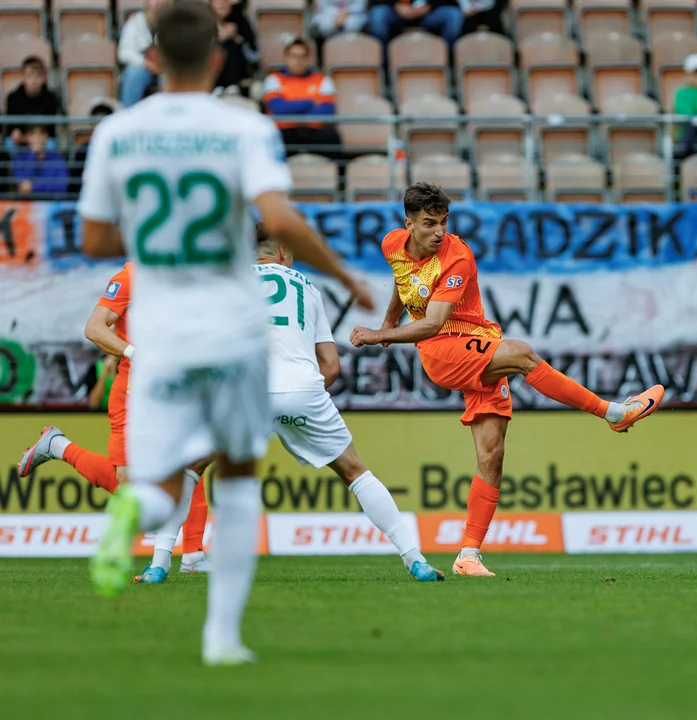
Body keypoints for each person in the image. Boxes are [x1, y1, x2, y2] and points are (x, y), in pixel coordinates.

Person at [77, 0, 373, 664]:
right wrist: (344, 278)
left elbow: (93, 239)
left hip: (161, 335)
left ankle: (134, 515)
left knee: (162, 481)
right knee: (237, 475)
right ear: (217, 59)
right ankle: (222, 637)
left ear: (152, 58)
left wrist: (163, 239)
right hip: (231, 328)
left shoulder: (117, 133)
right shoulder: (244, 128)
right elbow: (282, 223)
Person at [349, 183, 665, 577]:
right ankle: (614, 413)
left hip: (475, 343)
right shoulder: (392, 244)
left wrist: (380, 334)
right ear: (408, 224)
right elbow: (407, 287)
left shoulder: (457, 257)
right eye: (429, 223)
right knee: (522, 354)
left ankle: (468, 555)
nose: (439, 232)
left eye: (444, 222)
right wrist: (388, 321)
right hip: (442, 351)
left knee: (491, 455)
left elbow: (431, 318)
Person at [252, 223, 443, 581]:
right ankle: (415, 559)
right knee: (355, 472)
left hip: (249, 391)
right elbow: (331, 367)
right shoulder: (307, 288)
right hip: (303, 390)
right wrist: (301, 396)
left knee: (193, 466)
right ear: (282, 252)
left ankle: (160, 561)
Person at [17, 263, 212, 578]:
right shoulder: (130, 277)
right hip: (134, 393)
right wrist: (136, 353)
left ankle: (192, 554)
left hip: (175, 390)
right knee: (130, 488)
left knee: (192, 459)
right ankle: (58, 446)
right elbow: (94, 328)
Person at [262, 38, 342, 155]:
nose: (298, 61)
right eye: (294, 56)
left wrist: (291, 109)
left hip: (314, 131)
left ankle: (338, 167)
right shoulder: (273, 80)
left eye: (302, 56)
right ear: (286, 57)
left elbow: (327, 112)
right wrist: (311, 102)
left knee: (332, 137)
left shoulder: (323, 80)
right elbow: (278, 109)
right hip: (284, 131)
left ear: (308, 59)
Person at [3, 56, 62, 150]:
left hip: (43, 139)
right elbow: (11, 127)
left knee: (51, 145)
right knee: (9, 144)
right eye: (29, 76)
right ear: (23, 77)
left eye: (37, 76)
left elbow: (50, 129)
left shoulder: (51, 98)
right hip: (21, 139)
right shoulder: (13, 98)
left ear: (43, 78)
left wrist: (37, 139)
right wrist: (22, 137)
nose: (33, 80)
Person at [118, 0, 167, 106]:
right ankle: (129, 113)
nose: (158, 2)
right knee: (133, 73)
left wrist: (165, 64)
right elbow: (124, 53)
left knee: (174, 75)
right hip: (144, 67)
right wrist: (145, 63)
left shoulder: (177, 21)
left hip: (168, 67)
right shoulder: (136, 21)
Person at [365, 0, 464, 49]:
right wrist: (396, 5)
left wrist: (428, 6)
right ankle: (383, 62)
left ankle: (447, 59)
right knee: (378, 14)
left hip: (429, 13)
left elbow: (451, 2)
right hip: (396, 13)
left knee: (453, 15)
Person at [211, 0, 259, 96]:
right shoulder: (202, 23)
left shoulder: (240, 22)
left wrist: (238, 37)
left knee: (231, 44)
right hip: (211, 79)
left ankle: (232, 86)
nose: (221, 4)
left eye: (225, 1)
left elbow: (255, 56)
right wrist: (218, 38)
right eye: (217, 1)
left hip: (238, 80)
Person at [12, 125, 69, 196]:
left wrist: (34, 187)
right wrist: (33, 156)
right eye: (32, 133)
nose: (37, 137)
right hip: (28, 200)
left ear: (46, 136)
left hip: (51, 200)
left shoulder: (57, 158)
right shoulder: (20, 158)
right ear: (26, 137)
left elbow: (62, 187)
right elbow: (23, 187)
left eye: (41, 133)